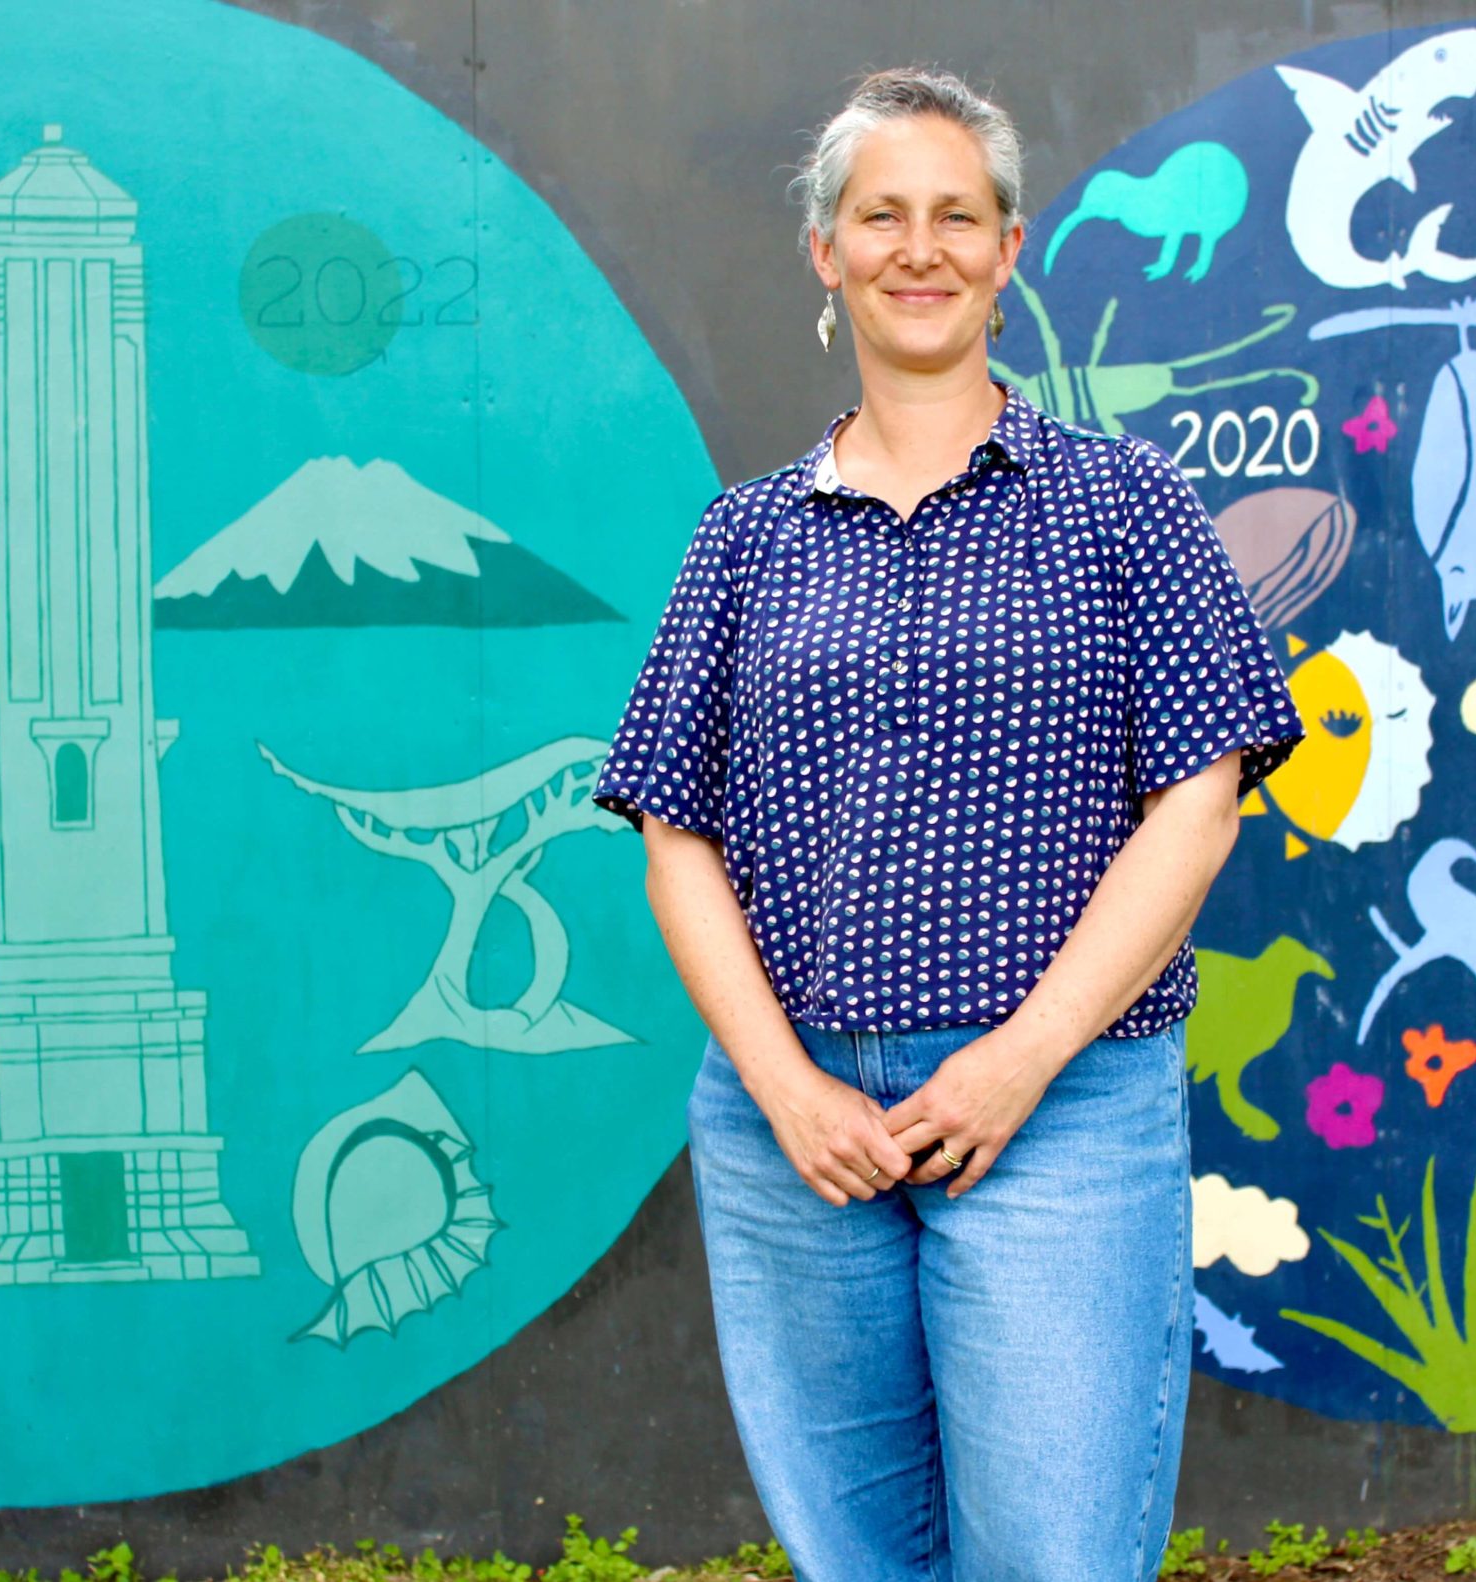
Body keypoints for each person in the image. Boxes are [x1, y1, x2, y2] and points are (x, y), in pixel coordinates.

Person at [592, 65, 1303, 1582]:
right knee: (858, 1555)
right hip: (799, 1126)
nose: (920, 248)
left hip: (1060, 1104)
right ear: (824, 250)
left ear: (1008, 248)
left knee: (1052, 1552)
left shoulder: (1126, 504)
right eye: (882, 216)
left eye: (957, 216)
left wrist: (1019, 1059)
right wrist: (785, 1089)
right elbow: (675, 834)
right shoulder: (743, 538)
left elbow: (1200, 805)